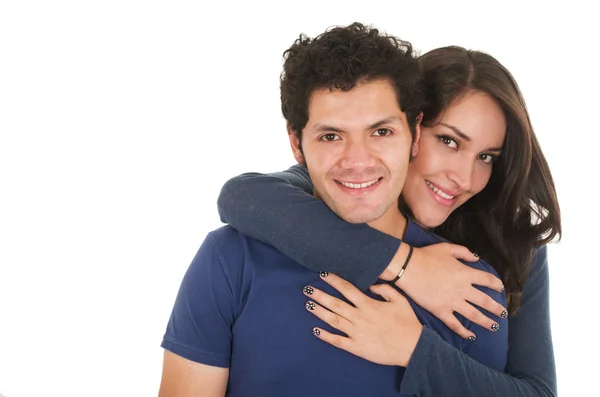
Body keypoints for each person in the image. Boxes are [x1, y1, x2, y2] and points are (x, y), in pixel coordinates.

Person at [158, 23, 508, 397]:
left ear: (414, 133)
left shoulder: (469, 290)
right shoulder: (230, 259)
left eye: (381, 132)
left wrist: (415, 349)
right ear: (296, 143)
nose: (358, 161)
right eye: (331, 136)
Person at [216, 45, 561, 395]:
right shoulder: (346, 189)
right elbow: (241, 196)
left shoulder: (511, 243)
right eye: (448, 141)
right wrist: (407, 266)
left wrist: (413, 348)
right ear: (409, 128)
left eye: (486, 156)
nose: (465, 178)